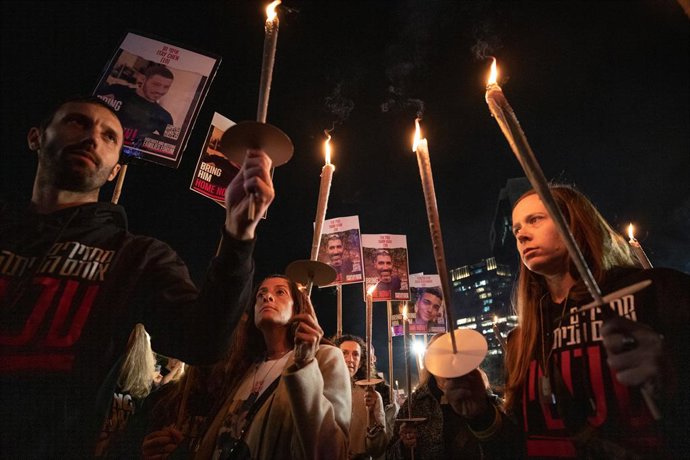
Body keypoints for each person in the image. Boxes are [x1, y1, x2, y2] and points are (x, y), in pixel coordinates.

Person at [0, 96, 275, 458]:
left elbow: (203, 342)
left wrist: (239, 235)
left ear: (115, 170)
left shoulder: (137, 258)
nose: (92, 138)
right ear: (36, 137)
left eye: (109, 136)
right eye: (77, 123)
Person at [453, 185, 690, 457]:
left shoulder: (656, 291)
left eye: (535, 220)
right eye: (517, 229)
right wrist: (481, 414)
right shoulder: (522, 339)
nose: (522, 235)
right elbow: (523, 443)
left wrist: (674, 373)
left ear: (574, 221)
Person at [142, 275, 351, 459]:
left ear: (298, 308)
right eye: (261, 294)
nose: (267, 297)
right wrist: (183, 450)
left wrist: (305, 364)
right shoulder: (246, 367)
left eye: (280, 293)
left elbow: (331, 452)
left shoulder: (325, 358)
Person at [386, 352, 505, 460]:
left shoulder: (481, 396)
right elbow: (390, 454)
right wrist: (404, 445)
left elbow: (507, 442)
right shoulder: (414, 404)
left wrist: (482, 415)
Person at [333, 334, 387, 460]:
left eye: (355, 354)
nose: (350, 359)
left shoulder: (371, 396)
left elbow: (378, 449)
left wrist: (372, 413)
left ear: (361, 361)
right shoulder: (322, 391)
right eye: (344, 353)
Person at [96, 65, 175, 147]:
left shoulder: (166, 117)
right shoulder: (117, 90)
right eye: (156, 84)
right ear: (143, 80)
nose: (160, 91)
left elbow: (172, 145)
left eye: (166, 87)